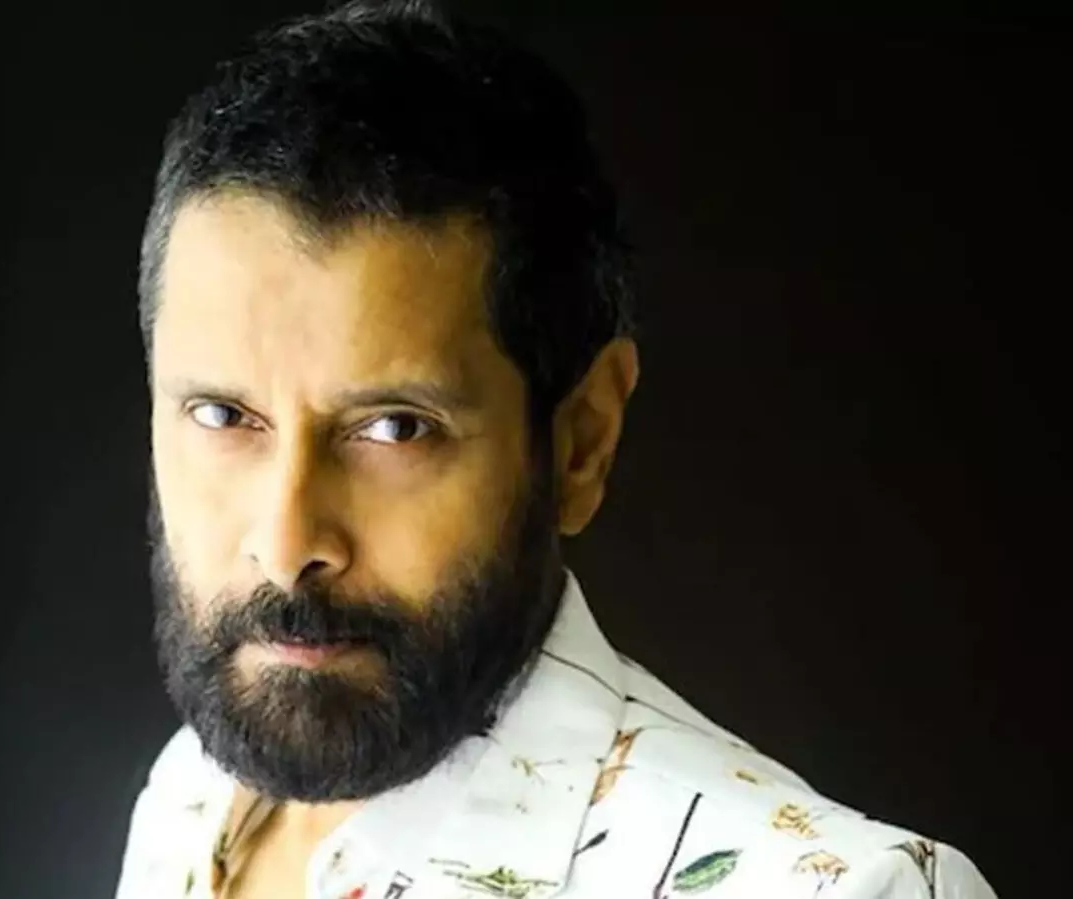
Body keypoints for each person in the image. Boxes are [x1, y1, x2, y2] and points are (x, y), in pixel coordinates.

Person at [116, 1, 998, 897]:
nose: (286, 542)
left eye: (395, 428)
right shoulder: (191, 798)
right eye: (222, 415)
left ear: (582, 443)